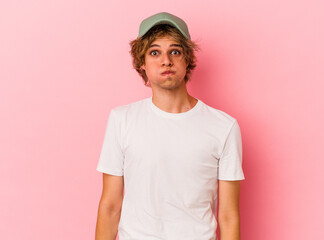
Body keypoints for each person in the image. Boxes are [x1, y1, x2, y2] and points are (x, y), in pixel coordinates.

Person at [95, 12, 245, 240]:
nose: (166, 60)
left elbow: (228, 215)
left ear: (187, 59)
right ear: (142, 63)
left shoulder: (223, 126)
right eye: (154, 52)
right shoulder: (122, 120)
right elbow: (110, 206)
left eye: (175, 51)